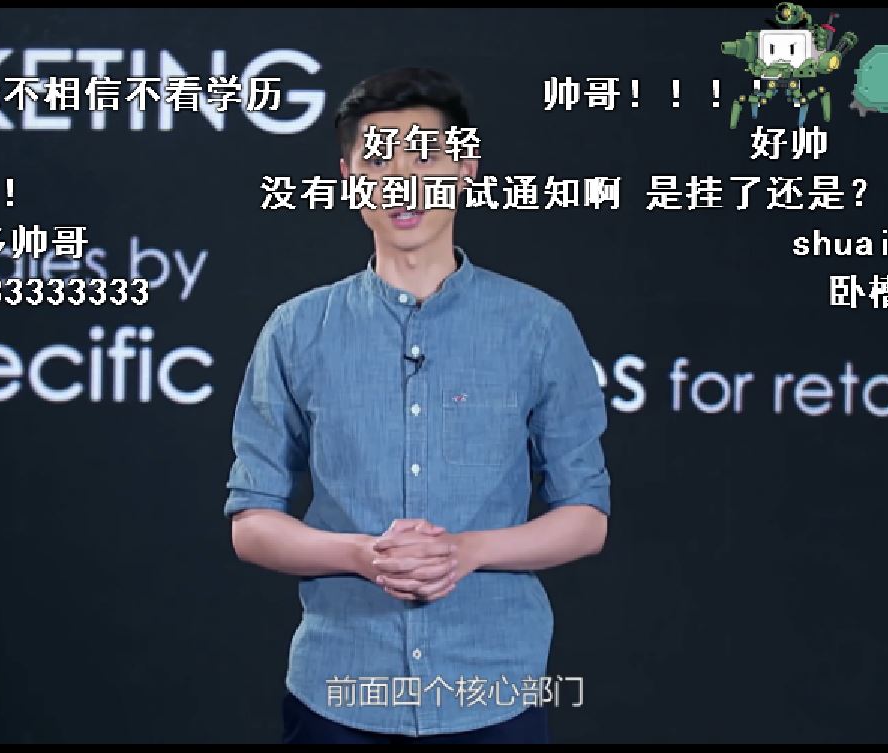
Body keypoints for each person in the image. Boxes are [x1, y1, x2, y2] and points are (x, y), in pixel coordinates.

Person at [222, 67, 612, 744]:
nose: (402, 181)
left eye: (426, 156)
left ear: (466, 169)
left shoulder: (538, 326)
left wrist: (468, 551)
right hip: (338, 690)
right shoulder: (297, 329)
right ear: (348, 177)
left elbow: (586, 517)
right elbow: (251, 521)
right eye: (378, 160)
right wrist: (361, 554)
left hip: (494, 690)